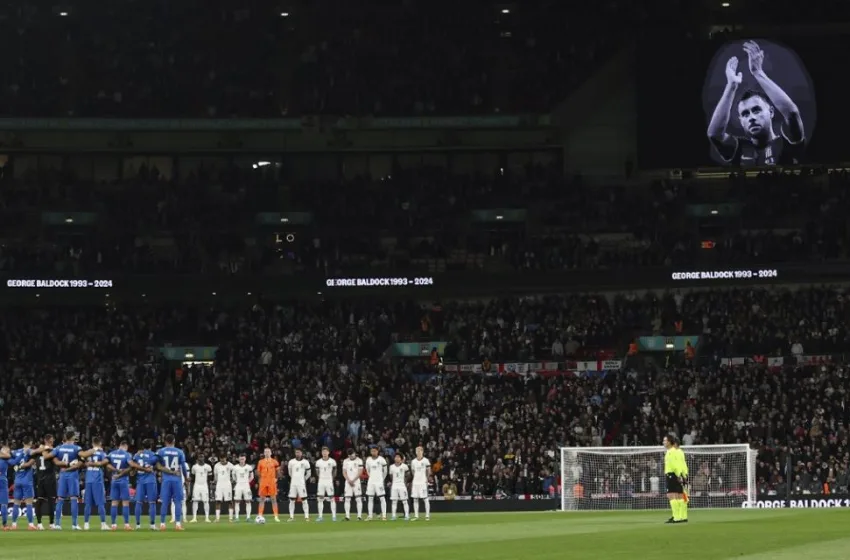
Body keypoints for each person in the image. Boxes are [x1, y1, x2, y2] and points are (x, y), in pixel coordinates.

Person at [706, 40, 805, 166]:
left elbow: (792, 113)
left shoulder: (787, 142)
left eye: (756, 110)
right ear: (741, 121)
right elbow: (714, 134)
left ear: (771, 112)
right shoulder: (738, 147)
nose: (752, 117)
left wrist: (758, 73)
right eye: (745, 114)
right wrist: (731, 86)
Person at [49, 431, 96, 530]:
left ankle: (57, 524)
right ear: (73, 438)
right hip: (73, 475)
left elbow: (51, 457)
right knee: (74, 499)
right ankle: (74, 524)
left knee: (60, 499)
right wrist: (94, 449)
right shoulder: (76, 448)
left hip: (62, 474)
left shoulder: (58, 448)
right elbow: (84, 454)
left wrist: (61, 463)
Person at [156, 434, 189, 531]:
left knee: (165, 502)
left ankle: (162, 524)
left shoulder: (160, 451)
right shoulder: (180, 452)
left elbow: (156, 464)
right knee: (178, 502)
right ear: (174, 441)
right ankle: (178, 524)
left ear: (165, 441)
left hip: (166, 480)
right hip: (176, 480)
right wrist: (186, 478)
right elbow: (183, 466)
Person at [10, 437, 41, 530]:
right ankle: (31, 524)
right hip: (27, 481)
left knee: (16, 503)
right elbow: (32, 460)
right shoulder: (31, 452)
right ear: (30, 442)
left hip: (17, 481)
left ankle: (14, 524)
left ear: (23, 443)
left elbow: (11, 461)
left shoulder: (15, 452)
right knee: (29, 504)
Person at [130, 439, 159, 530]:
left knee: (138, 503)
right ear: (151, 445)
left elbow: (132, 468)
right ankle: (152, 525)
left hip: (140, 481)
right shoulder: (153, 455)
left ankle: (138, 525)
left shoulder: (137, 455)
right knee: (152, 503)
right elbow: (157, 466)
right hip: (150, 480)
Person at [82, 437, 109, 531]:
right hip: (97, 480)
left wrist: (89, 463)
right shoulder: (102, 453)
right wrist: (98, 463)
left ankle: (86, 524)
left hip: (88, 479)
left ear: (92, 443)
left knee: (88, 503)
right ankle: (103, 524)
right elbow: (105, 461)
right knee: (101, 503)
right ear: (100, 443)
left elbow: (83, 462)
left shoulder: (88, 452)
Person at [106, 440, 133, 530]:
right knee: (125, 503)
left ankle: (113, 525)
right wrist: (121, 473)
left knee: (114, 503)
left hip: (114, 480)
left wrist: (115, 471)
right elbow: (131, 466)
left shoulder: (111, 454)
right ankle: (126, 525)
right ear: (125, 446)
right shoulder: (127, 454)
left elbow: (107, 464)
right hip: (123, 480)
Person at [663, 434, 689, 524]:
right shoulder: (680, 452)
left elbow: (675, 465)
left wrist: (679, 475)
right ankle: (682, 516)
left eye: (665, 440)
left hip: (673, 474)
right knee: (681, 495)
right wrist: (684, 474)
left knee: (672, 495)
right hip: (680, 474)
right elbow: (683, 464)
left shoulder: (672, 452)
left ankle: (677, 517)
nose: (664, 442)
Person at [34, 434, 57, 530]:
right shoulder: (52, 451)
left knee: (39, 501)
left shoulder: (38, 451)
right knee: (51, 502)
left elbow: (31, 453)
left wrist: (41, 448)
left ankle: (39, 524)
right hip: (50, 479)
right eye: (52, 440)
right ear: (50, 441)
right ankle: (51, 524)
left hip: (40, 479)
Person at [256, 448, 280, 522]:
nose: (266, 453)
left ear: (271, 453)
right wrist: (259, 480)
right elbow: (258, 472)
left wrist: (276, 478)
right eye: (265, 452)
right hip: (263, 481)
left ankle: (276, 516)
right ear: (263, 453)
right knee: (262, 499)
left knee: (273, 499)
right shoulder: (260, 462)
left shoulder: (274, 462)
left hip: (271, 482)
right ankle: (260, 515)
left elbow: (278, 471)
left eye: (268, 452)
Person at [287, 447, 311, 522]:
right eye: (296, 452)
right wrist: (294, 478)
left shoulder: (306, 462)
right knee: (291, 500)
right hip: (293, 483)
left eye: (299, 452)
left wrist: (304, 479)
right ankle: (291, 517)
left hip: (301, 484)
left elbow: (309, 473)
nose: (297, 453)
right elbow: (290, 473)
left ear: (301, 453)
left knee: (304, 500)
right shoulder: (291, 462)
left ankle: (306, 516)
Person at [364, 445, 388, 521]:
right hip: (371, 481)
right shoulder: (368, 460)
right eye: (372, 451)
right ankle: (370, 516)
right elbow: (367, 470)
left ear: (377, 451)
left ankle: (384, 516)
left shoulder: (382, 459)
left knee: (382, 498)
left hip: (379, 481)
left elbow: (385, 471)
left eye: (375, 451)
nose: (373, 452)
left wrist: (382, 479)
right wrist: (371, 477)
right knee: (370, 498)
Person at [314, 446, 337, 522]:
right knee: (320, 499)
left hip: (329, 481)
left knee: (332, 499)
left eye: (326, 451)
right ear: (321, 453)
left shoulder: (332, 461)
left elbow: (335, 470)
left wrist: (332, 478)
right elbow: (317, 472)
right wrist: (319, 477)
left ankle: (334, 516)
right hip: (321, 482)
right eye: (323, 452)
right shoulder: (318, 462)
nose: (324, 453)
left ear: (328, 452)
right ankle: (320, 516)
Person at [410, 446, 432, 521]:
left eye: (419, 451)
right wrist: (416, 478)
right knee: (415, 499)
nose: (418, 452)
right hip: (415, 482)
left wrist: (426, 479)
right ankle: (416, 516)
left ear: (422, 451)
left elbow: (429, 471)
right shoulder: (413, 461)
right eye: (417, 451)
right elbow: (413, 471)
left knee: (425, 499)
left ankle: (427, 515)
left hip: (423, 482)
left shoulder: (426, 460)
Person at [342, 448, 364, 521]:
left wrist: (353, 480)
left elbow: (360, 472)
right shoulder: (345, 461)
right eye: (349, 455)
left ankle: (359, 516)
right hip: (348, 482)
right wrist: (349, 480)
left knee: (358, 498)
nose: (350, 456)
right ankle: (347, 516)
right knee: (347, 499)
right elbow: (344, 472)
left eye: (351, 454)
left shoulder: (359, 460)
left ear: (355, 453)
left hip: (356, 481)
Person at [231, 454, 254, 522]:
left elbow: (252, 476)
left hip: (246, 485)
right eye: (240, 459)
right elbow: (233, 476)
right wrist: (237, 481)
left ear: (245, 459)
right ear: (238, 459)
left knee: (248, 501)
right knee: (237, 501)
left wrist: (247, 481)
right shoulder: (235, 467)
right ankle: (237, 517)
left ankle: (248, 517)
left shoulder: (249, 467)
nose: (242, 460)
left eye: (243, 459)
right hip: (238, 485)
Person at [190, 455, 213, 523]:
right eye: (200, 457)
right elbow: (193, 476)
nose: (201, 458)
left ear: (204, 458)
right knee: (195, 501)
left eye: (202, 457)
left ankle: (207, 518)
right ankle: (194, 518)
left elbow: (210, 477)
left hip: (204, 486)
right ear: (197, 459)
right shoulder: (194, 467)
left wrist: (206, 484)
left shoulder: (208, 467)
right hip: (196, 485)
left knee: (206, 501)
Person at [388, 452, 410, 521]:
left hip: (402, 485)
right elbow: (391, 476)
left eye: (398, 457)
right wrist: (393, 482)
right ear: (394, 458)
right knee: (394, 501)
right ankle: (394, 516)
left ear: (401, 459)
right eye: (396, 457)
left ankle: (407, 515)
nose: (397, 458)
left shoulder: (404, 466)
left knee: (404, 501)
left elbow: (408, 475)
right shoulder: (391, 467)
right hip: (394, 486)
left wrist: (405, 482)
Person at [0, 441, 17, 530]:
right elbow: (15, 460)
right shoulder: (6, 460)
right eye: (8, 450)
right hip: (2, 479)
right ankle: (5, 525)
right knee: (4, 504)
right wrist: (12, 453)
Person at [213, 455, 234, 522]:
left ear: (226, 458)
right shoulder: (216, 465)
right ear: (219, 458)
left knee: (230, 501)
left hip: (227, 484)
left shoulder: (230, 465)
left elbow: (234, 472)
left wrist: (233, 479)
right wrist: (215, 481)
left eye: (223, 458)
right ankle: (217, 518)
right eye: (221, 458)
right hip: (219, 484)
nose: (222, 460)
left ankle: (230, 518)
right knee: (218, 501)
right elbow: (215, 476)